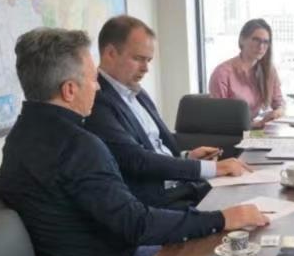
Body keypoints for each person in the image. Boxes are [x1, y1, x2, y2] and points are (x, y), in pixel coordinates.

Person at [0, 27, 269, 256]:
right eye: (92, 79)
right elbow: (137, 224)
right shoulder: (79, 146)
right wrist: (223, 219)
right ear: (69, 90)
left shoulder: (17, 138)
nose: (97, 87)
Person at [86, 15, 249, 209]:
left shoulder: (137, 92)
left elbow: (155, 145)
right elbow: (136, 160)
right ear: (110, 53)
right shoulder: (96, 101)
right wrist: (212, 168)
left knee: (247, 190)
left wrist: (187, 157)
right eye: (138, 59)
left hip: (180, 186)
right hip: (156, 202)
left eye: (148, 60)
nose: (146, 69)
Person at [208, 18, 285, 128]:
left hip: (254, 131)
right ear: (242, 40)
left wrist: (278, 112)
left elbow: (279, 102)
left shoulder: (268, 70)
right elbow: (219, 118)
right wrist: (254, 125)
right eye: (256, 40)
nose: (261, 46)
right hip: (232, 133)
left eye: (265, 42)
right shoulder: (222, 73)